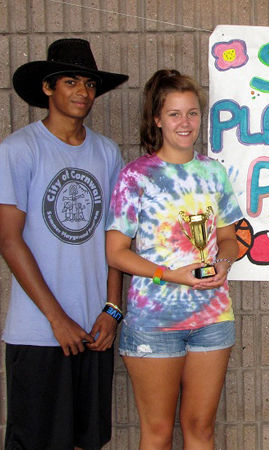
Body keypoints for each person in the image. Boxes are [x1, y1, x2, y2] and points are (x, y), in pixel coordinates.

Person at [0, 38, 128, 449]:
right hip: (40, 332)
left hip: (95, 330)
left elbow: (116, 239)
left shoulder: (107, 153)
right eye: (70, 81)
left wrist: (112, 309)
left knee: (87, 439)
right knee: (36, 441)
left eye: (89, 84)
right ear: (47, 88)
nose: (82, 92)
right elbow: (8, 240)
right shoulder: (18, 150)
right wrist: (57, 319)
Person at [105, 69, 242, 449]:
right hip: (153, 323)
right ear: (157, 119)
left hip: (213, 318)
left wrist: (224, 263)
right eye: (175, 114)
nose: (185, 123)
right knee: (159, 432)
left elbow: (230, 238)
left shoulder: (213, 172)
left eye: (193, 113)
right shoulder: (136, 177)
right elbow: (115, 253)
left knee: (201, 430)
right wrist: (170, 275)